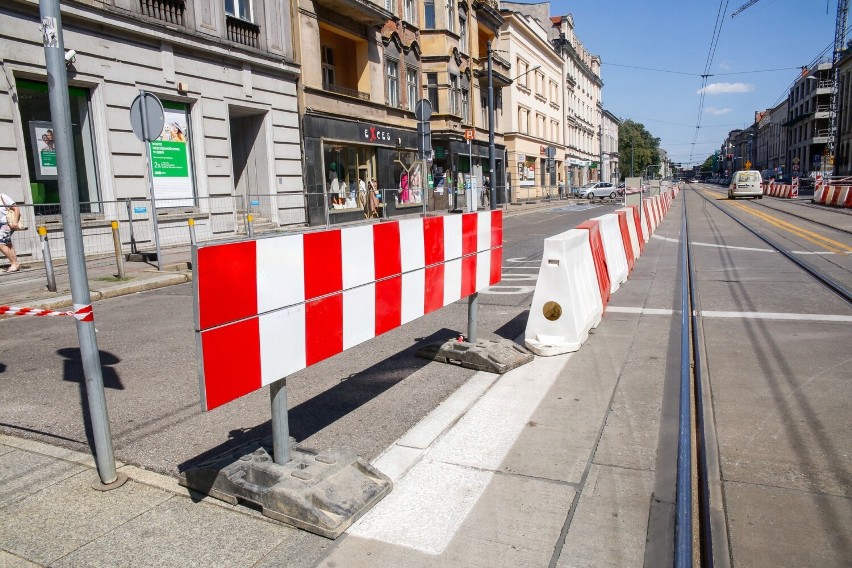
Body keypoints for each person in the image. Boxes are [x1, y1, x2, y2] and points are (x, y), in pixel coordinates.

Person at [0, 193, 20, 272]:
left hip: (6, 224)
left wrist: (15, 222)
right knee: (8, 244)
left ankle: (14, 263)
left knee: (1, 244)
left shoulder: (2, 196)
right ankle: (15, 263)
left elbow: (16, 208)